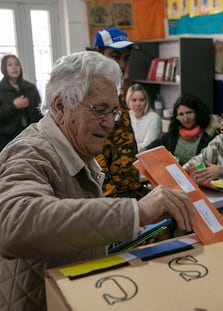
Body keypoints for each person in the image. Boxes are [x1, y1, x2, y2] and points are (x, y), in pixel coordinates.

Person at [0, 51, 194, 311]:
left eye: (114, 112)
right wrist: (135, 212)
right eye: (100, 110)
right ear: (60, 106)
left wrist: (121, 231)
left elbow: (69, 229)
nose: (109, 124)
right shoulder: (30, 151)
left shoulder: (76, 147)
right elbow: (15, 221)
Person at [90, 27, 143, 198]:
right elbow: (94, 155)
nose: (122, 64)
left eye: (126, 58)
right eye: (114, 57)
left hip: (130, 187)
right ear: (98, 54)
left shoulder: (116, 90)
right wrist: (113, 203)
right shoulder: (91, 94)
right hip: (111, 197)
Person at [147, 94, 220, 165]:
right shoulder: (174, 131)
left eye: (189, 113)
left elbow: (209, 163)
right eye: (181, 114)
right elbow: (158, 144)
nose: (185, 118)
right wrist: (145, 150)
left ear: (198, 112)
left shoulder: (210, 135)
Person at [0, 54, 43, 150]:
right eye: (10, 65)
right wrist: (13, 106)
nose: (14, 67)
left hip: (31, 136)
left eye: (17, 64)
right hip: (7, 140)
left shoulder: (30, 88)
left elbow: (39, 112)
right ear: (4, 68)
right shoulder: (1, 89)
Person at [127, 83, 161, 152]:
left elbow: (147, 146)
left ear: (146, 101)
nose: (138, 104)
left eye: (141, 100)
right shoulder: (125, 116)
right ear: (128, 102)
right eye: (134, 100)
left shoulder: (154, 118)